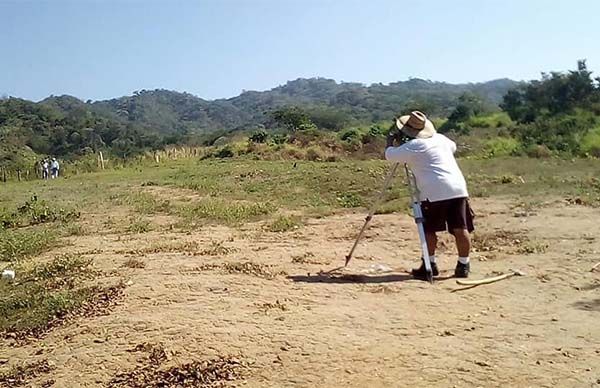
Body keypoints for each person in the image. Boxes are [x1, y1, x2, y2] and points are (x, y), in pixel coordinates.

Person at [384, 111, 474, 280]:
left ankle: (429, 265)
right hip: (458, 188)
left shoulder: (413, 146)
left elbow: (389, 155)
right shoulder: (441, 139)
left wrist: (390, 143)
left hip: (433, 191)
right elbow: (453, 147)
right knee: (460, 227)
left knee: (429, 228)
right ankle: (464, 265)